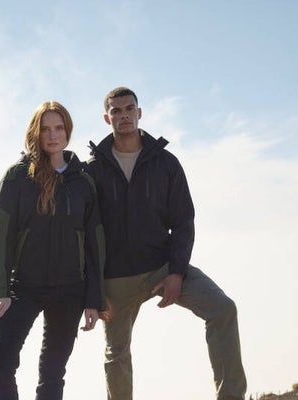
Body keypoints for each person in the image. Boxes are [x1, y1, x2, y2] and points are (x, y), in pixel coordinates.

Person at [85, 87, 247, 400]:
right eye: (116, 111)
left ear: (139, 113)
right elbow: (88, 234)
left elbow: (183, 221)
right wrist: (93, 290)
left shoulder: (166, 163)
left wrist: (177, 272)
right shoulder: (93, 169)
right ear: (107, 118)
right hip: (115, 278)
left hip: (161, 267)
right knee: (116, 354)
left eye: (129, 109)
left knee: (223, 309)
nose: (124, 115)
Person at [0, 101, 106, 400]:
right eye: (45, 129)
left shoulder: (83, 181)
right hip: (23, 287)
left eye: (59, 128)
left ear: (68, 131)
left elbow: (95, 243)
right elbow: (1, 236)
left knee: (52, 375)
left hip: (70, 290)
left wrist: (94, 298)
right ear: (35, 133)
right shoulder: (17, 177)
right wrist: (1, 291)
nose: (52, 135)